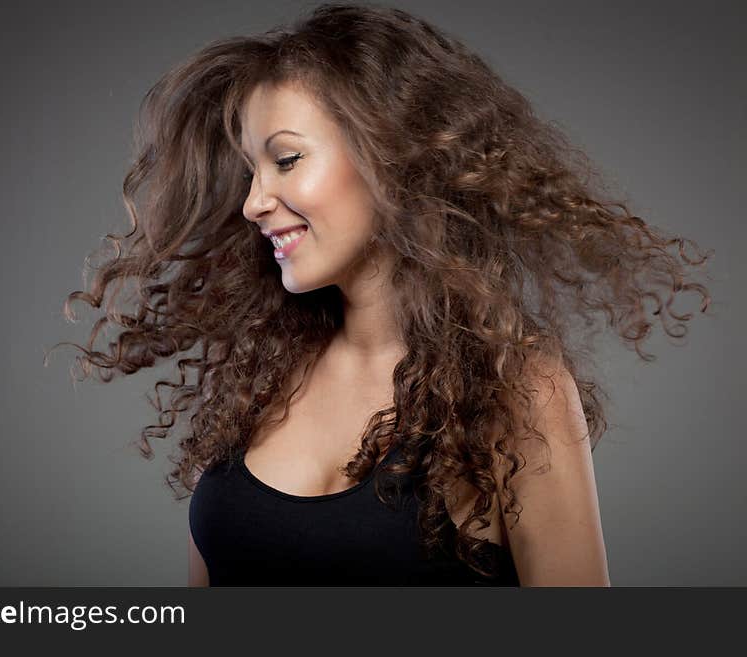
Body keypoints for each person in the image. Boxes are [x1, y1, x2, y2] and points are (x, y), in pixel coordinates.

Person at [53, 3, 712, 586]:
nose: (254, 201)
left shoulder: (517, 394)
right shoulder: (254, 373)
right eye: (251, 170)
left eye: (285, 160)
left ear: (393, 159)